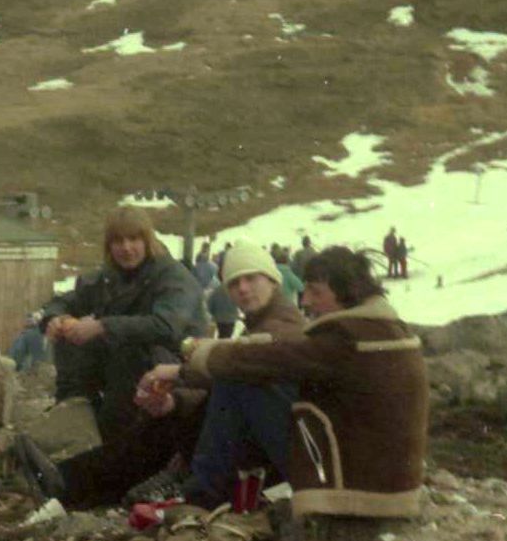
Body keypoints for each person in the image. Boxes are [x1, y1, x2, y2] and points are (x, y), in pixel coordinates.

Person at [178, 247, 429, 521]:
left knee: (239, 378)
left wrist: (199, 357)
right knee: (245, 376)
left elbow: (268, 358)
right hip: (383, 481)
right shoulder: (383, 329)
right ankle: (205, 490)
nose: (306, 300)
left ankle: (200, 497)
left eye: (316, 292)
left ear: (347, 291)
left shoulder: (345, 338)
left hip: (354, 488)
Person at [36, 207, 203, 504]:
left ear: (147, 240)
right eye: (118, 241)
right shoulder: (108, 278)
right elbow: (65, 300)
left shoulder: (174, 276)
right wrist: (55, 318)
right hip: (121, 373)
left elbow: (166, 326)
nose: (126, 248)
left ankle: (87, 473)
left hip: (172, 372)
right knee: (72, 339)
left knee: (126, 352)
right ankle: (75, 425)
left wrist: (101, 326)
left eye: (134, 239)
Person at [132, 241, 305, 507]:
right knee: (194, 399)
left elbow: (247, 361)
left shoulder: (286, 323)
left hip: (293, 450)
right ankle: (186, 480)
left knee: (232, 377)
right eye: (234, 284)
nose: (243, 289)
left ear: (272, 280)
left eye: (251, 278)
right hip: (275, 444)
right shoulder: (261, 322)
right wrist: (175, 402)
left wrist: (180, 372)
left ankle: (200, 489)